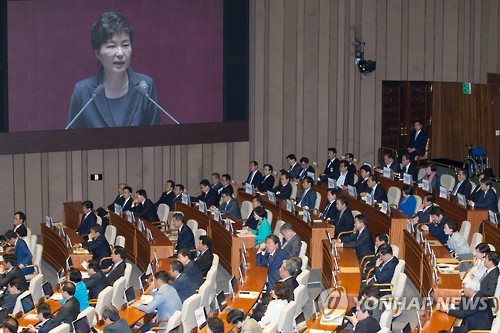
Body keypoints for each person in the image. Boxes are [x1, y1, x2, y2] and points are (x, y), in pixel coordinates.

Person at [67, 12, 160, 129]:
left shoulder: (145, 86)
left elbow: (157, 139)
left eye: (125, 45)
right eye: (112, 46)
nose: (120, 53)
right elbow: (73, 141)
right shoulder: (83, 92)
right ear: (98, 54)